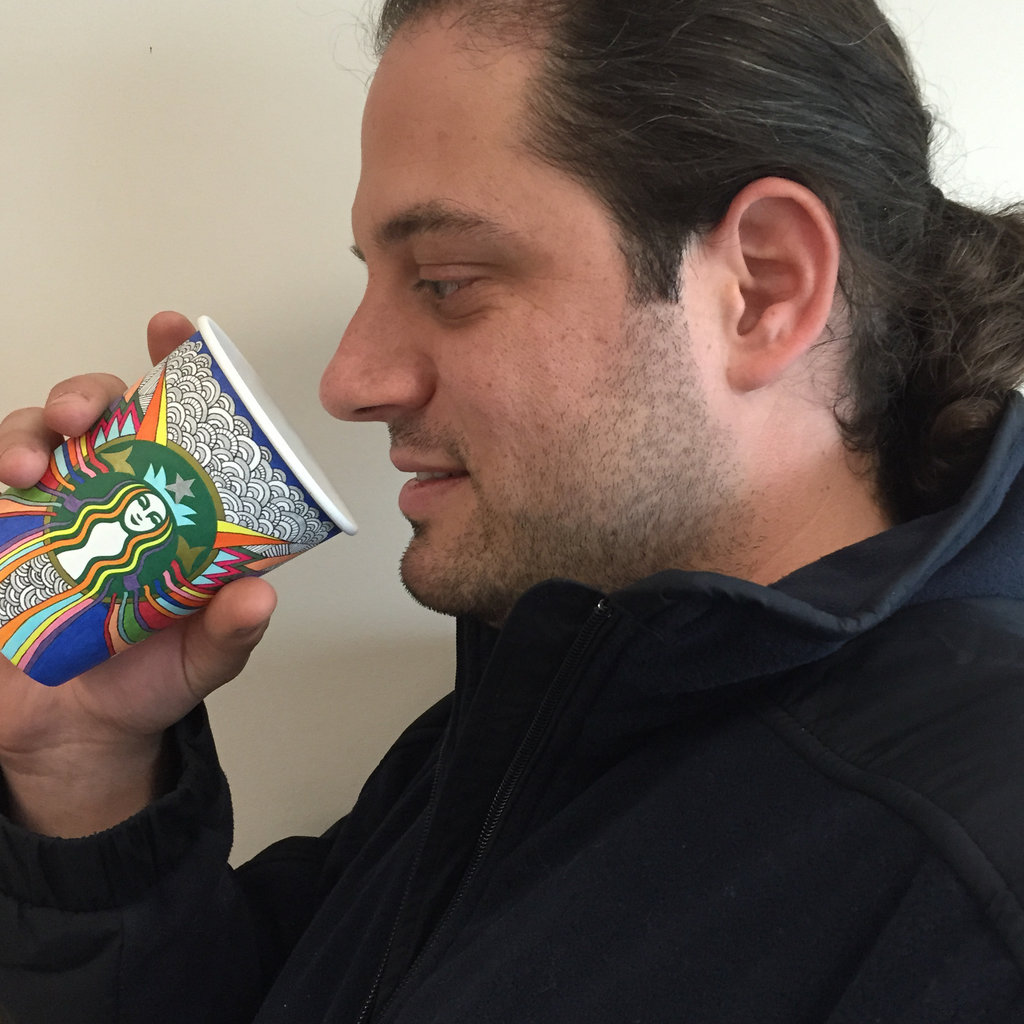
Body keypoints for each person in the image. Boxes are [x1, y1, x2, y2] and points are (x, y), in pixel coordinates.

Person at [2, 0, 1024, 1019]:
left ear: (763, 287)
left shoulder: (974, 885)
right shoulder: (553, 688)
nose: (348, 381)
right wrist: (83, 772)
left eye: (445, 281)